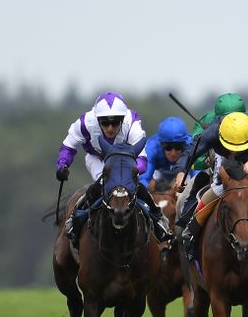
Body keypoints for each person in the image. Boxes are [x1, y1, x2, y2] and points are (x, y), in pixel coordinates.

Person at [55, 92, 170, 247]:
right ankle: (75, 218)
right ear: (97, 120)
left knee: (133, 186)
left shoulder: (132, 122)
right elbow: (68, 146)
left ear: (123, 120)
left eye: (115, 122)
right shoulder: (84, 123)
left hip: (125, 162)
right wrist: (62, 165)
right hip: (96, 158)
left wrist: (133, 172)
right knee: (103, 184)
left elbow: (142, 159)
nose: (110, 128)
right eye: (105, 122)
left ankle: (157, 217)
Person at [172, 111, 248, 261]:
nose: (236, 151)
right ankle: (194, 225)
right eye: (232, 146)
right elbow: (190, 152)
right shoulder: (213, 132)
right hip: (225, 156)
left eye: (239, 147)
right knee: (219, 187)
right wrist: (180, 173)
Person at [178, 93, 248, 222]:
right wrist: (205, 161)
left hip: (244, 172)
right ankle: (186, 225)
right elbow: (193, 152)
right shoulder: (205, 124)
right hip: (213, 172)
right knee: (197, 185)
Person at [142, 116, 192, 190]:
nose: (173, 153)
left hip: (184, 176)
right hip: (160, 175)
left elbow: (197, 176)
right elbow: (144, 179)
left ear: (185, 144)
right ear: (161, 145)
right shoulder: (152, 149)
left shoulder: (192, 146)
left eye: (178, 147)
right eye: (168, 148)